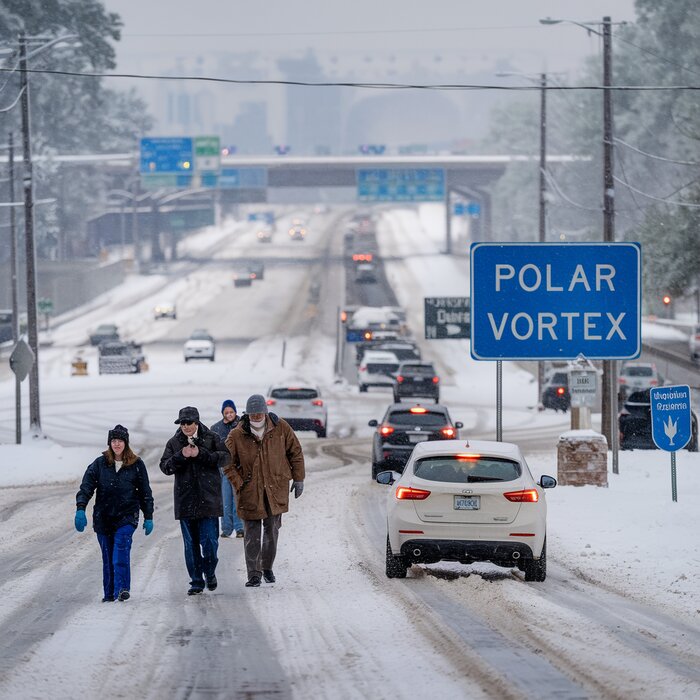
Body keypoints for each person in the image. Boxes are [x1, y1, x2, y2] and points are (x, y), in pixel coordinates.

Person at [224, 394, 305, 587]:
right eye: (253, 414)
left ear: (266, 412)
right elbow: (227, 462)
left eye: (260, 413)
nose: (256, 417)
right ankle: (254, 574)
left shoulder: (281, 427)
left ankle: (267, 567)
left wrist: (299, 478)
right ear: (247, 414)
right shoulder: (237, 434)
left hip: (275, 489)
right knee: (251, 535)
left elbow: (295, 452)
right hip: (249, 492)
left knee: (272, 531)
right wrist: (239, 483)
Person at [74, 425, 154, 603]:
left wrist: (148, 516)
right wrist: (81, 508)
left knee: (120, 550)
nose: (117, 444)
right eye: (114, 441)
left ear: (126, 443)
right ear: (110, 443)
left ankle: (122, 589)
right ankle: (109, 594)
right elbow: (86, 487)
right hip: (103, 517)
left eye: (120, 441)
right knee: (108, 556)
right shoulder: (100, 464)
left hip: (126, 516)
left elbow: (145, 492)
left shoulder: (136, 464)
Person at [160, 406, 227, 596]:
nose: (186, 427)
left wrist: (202, 454)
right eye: (182, 423)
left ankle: (210, 572)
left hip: (209, 500)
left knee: (210, 543)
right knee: (191, 546)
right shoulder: (174, 443)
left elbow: (225, 458)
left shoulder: (212, 437)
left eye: (189, 423)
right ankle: (196, 581)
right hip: (185, 500)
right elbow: (165, 467)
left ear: (196, 422)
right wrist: (181, 456)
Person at [210, 399, 244, 538]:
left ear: (235, 412)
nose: (229, 415)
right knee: (225, 500)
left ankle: (240, 527)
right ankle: (226, 528)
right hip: (223, 468)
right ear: (222, 413)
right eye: (226, 412)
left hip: (238, 468)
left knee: (238, 499)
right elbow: (212, 448)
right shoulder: (216, 428)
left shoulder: (242, 424)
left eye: (231, 412)